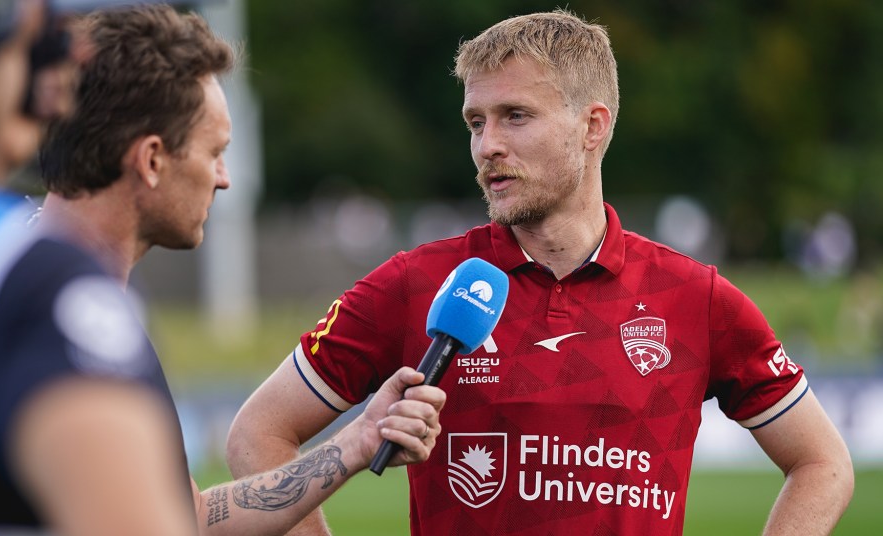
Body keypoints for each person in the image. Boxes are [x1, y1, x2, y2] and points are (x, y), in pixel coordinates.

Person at [226, 9, 854, 535]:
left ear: (592, 126)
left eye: (515, 117)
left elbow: (823, 462)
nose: (486, 145)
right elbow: (258, 434)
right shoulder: (418, 282)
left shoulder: (695, 298)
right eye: (476, 122)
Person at [0, 2, 445, 535]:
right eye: (215, 151)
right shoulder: (51, 298)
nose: (223, 178)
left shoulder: (6, 266)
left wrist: (357, 440)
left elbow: (194, 517)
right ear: (152, 160)